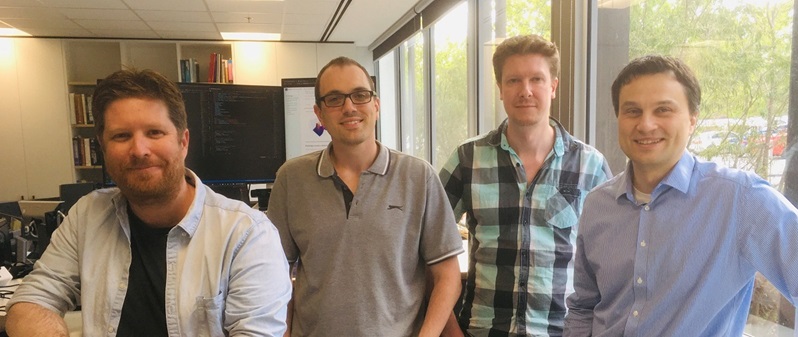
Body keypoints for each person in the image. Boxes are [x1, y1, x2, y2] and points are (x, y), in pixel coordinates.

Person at [6, 69, 292, 336]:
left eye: (154, 132)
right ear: (103, 148)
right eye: (121, 136)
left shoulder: (247, 234)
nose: (139, 150)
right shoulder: (87, 215)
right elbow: (33, 300)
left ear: (183, 142)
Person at [563, 55, 798, 336]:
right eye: (632, 111)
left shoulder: (741, 199)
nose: (646, 124)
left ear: (692, 120)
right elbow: (583, 307)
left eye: (663, 110)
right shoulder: (598, 205)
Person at [266, 56, 464, 337]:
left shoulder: (419, 177)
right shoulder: (291, 179)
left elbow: (447, 276)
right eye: (334, 99)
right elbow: (275, 275)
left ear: (376, 105)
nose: (349, 107)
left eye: (360, 95)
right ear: (319, 114)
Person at [438, 34, 612, 336]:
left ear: (553, 86)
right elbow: (426, 247)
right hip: (482, 330)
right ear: (501, 90)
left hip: (562, 331)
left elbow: (612, 261)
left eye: (537, 79)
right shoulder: (468, 159)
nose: (526, 91)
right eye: (514, 81)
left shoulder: (590, 166)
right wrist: (450, 329)